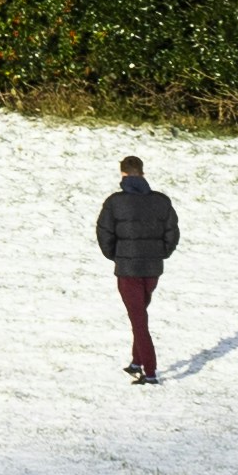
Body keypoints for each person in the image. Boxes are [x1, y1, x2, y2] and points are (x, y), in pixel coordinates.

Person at [94, 154, 181, 381]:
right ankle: (136, 361)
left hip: (128, 270)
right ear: (142, 173)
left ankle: (150, 372)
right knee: (139, 314)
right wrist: (161, 253)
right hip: (152, 270)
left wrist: (116, 256)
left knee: (139, 320)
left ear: (123, 174)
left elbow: (104, 233)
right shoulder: (161, 201)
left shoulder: (114, 202)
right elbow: (172, 234)